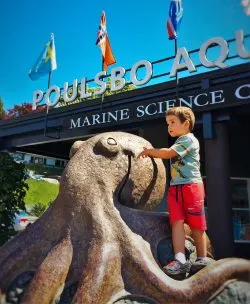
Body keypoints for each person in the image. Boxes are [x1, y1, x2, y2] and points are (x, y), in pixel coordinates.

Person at [138, 106, 212, 280]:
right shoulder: (180, 140)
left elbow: (168, 153)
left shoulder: (188, 140)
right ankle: (179, 258)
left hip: (191, 186)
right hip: (176, 187)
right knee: (176, 222)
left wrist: (149, 152)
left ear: (186, 124)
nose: (169, 126)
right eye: (167, 123)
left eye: (172, 122)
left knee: (196, 223)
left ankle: (202, 257)